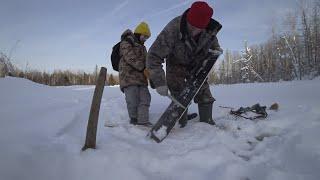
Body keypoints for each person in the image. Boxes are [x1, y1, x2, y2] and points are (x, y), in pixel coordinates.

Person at [146, 1, 223, 128]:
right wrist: (159, 82)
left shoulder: (210, 30)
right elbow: (153, 56)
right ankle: (180, 123)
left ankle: (207, 124)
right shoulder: (173, 29)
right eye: (190, 26)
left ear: (204, 26)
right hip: (176, 63)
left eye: (197, 28)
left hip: (197, 65)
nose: (192, 30)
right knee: (179, 95)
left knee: (204, 93)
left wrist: (215, 51)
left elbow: (214, 45)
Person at [119, 22, 152, 126]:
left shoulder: (143, 47)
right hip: (128, 77)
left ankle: (143, 121)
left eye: (147, 37)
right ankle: (134, 119)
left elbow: (146, 62)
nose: (145, 39)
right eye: (144, 36)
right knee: (132, 100)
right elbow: (130, 57)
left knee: (145, 98)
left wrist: (151, 72)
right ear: (139, 33)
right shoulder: (126, 42)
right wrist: (142, 68)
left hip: (141, 78)